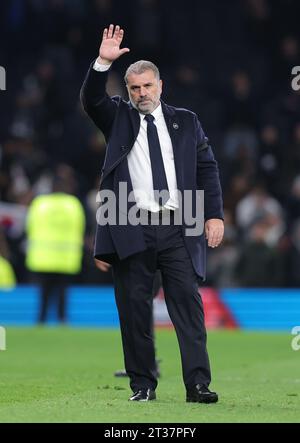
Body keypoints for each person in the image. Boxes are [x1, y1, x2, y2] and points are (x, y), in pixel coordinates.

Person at [81, 25, 224, 402]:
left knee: (189, 310)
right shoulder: (118, 118)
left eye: (147, 86)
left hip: (181, 223)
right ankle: (143, 386)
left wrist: (214, 215)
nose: (141, 94)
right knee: (134, 312)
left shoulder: (187, 121)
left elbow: (207, 168)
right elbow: (92, 99)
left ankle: (198, 385)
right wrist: (102, 63)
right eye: (134, 89)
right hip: (131, 224)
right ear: (127, 91)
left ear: (160, 86)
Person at [25, 171, 85, 324]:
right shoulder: (73, 204)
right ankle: (62, 318)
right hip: (66, 257)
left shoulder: (40, 203)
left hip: (42, 256)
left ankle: (41, 319)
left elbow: (29, 226)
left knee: (43, 292)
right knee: (63, 292)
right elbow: (81, 227)